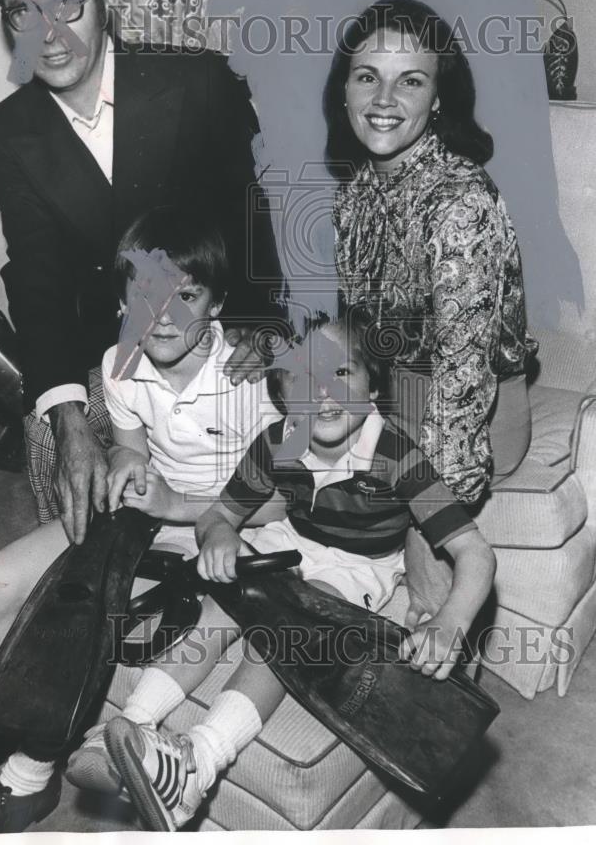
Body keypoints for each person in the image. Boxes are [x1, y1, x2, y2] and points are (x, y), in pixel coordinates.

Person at [0, 206, 280, 833]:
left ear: (217, 304)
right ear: (121, 301)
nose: (162, 315)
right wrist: (128, 464)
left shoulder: (252, 378)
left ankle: (28, 784)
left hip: (239, 527)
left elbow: (285, 499)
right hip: (150, 512)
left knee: (82, 605)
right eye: (143, 294)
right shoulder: (122, 362)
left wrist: (181, 506)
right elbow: (133, 446)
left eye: (186, 295)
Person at [79, 309, 496, 832]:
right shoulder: (280, 442)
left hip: (357, 565)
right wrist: (221, 536)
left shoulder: (397, 456)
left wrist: (451, 620)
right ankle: (130, 725)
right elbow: (219, 514)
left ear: (373, 386)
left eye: (341, 374)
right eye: (302, 378)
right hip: (290, 540)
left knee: (288, 631)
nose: (322, 393)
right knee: (221, 606)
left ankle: (197, 763)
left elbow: (476, 553)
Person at [0, 0, 279, 545]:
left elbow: (251, 211)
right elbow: (33, 272)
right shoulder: (11, 128)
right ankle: (89, 593)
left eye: (67, 2)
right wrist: (65, 412)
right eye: (25, 12)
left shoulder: (198, 79)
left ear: (103, 0)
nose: (51, 32)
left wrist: (262, 320)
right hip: (110, 351)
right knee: (47, 435)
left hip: (221, 324)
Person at [324, 0, 535, 509]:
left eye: (411, 81)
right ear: (345, 90)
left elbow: (464, 375)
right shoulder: (353, 191)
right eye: (367, 77)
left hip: (469, 417)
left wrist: (435, 499)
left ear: (438, 97)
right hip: (384, 402)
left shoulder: (462, 204)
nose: (384, 98)